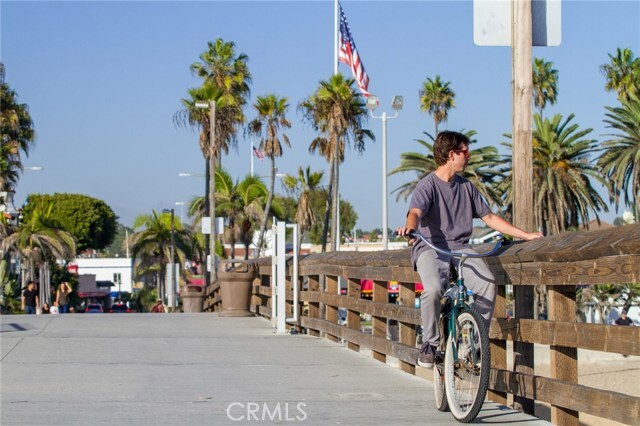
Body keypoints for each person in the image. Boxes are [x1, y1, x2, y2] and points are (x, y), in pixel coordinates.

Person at [396, 131, 543, 368]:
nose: (469, 156)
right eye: (465, 151)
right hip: (431, 248)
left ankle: (475, 343)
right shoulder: (428, 185)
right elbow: (414, 213)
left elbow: (490, 217)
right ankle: (430, 343)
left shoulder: (467, 187)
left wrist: (524, 235)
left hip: (461, 248)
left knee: (487, 283)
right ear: (451, 154)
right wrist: (409, 229)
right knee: (433, 289)